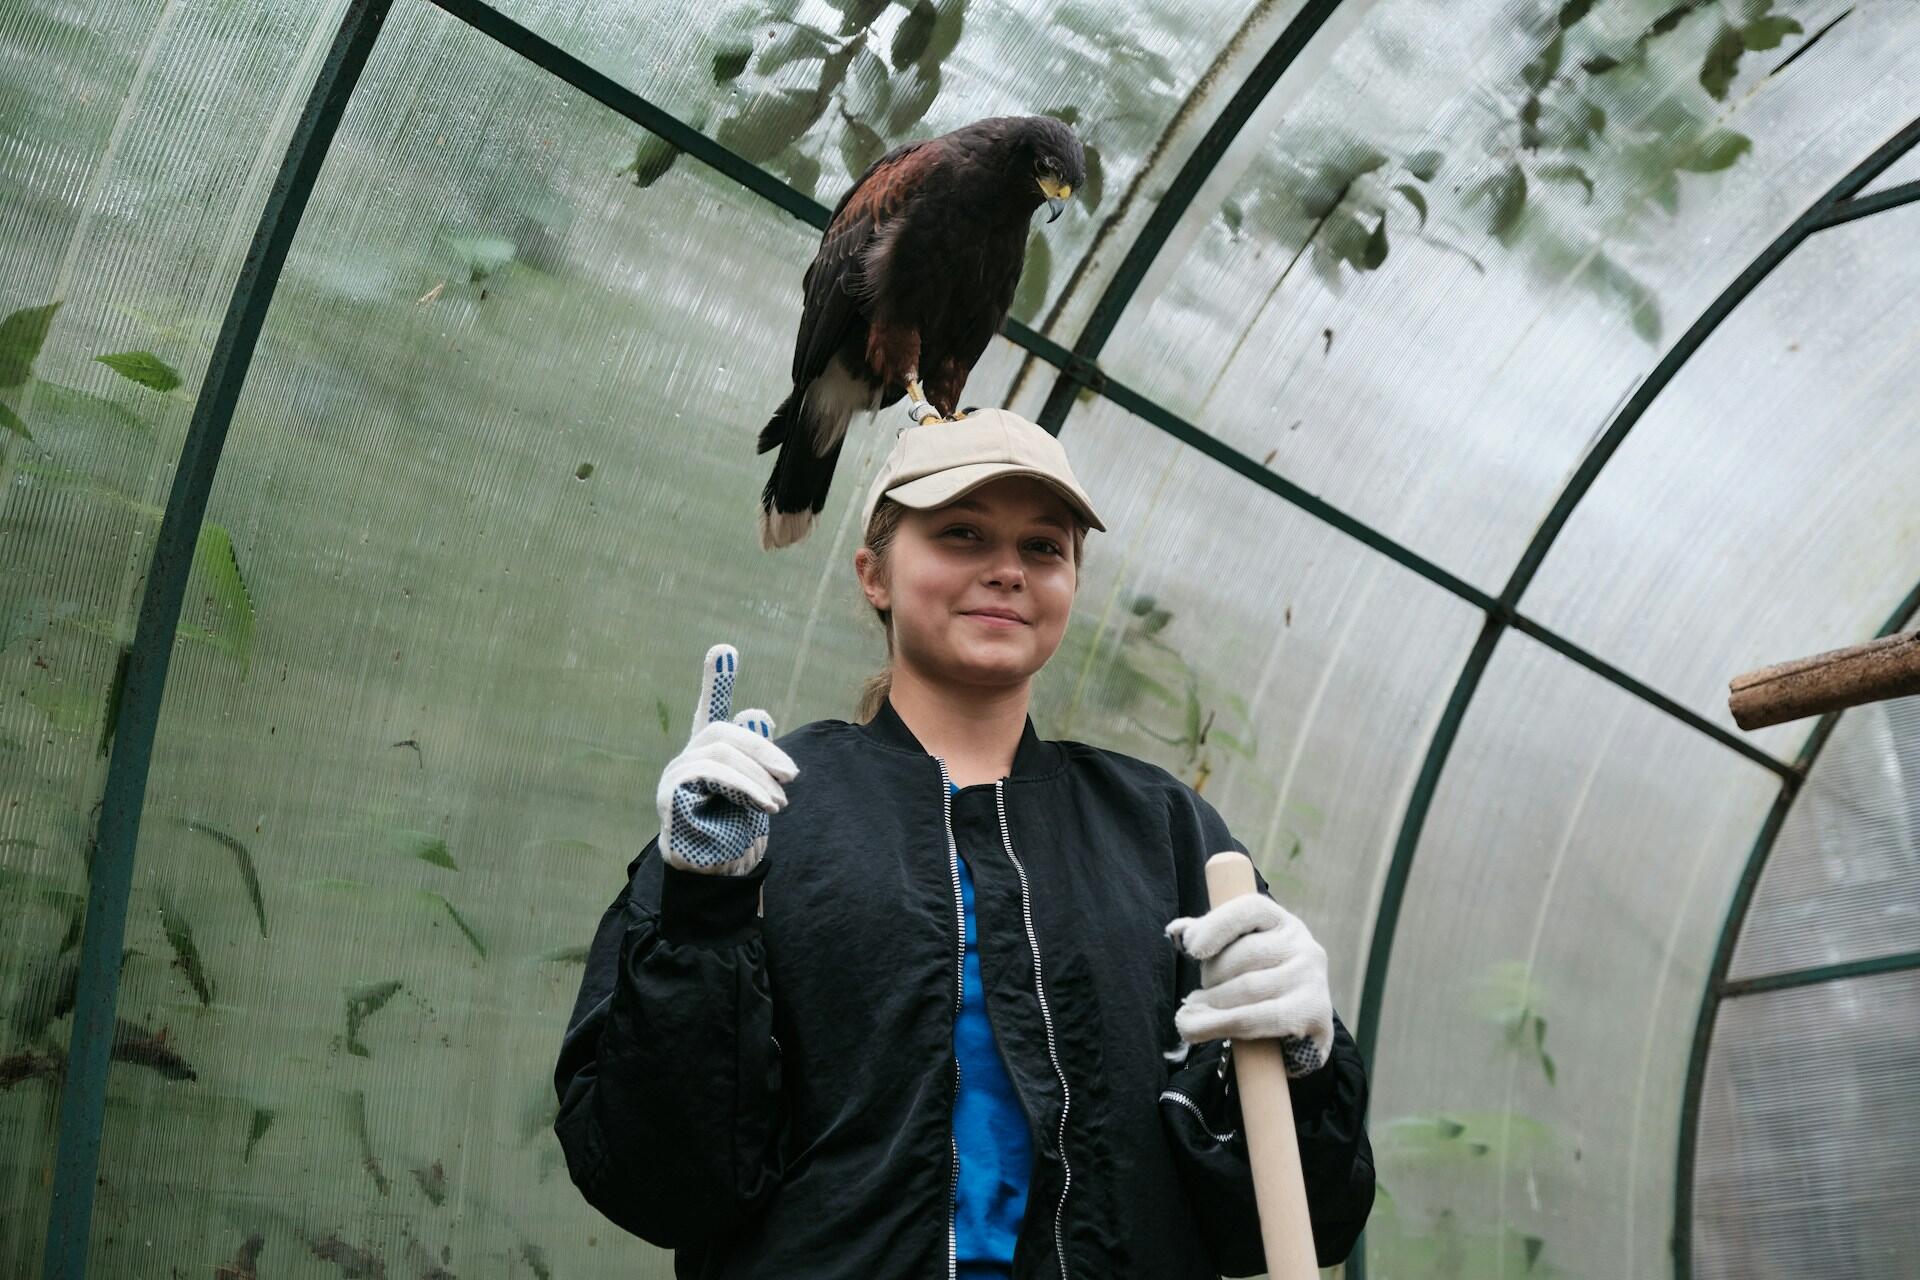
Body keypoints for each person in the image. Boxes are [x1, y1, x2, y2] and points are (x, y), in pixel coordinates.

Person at [553, 408, 1374, 1279]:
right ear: (874, 574)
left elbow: (1293, 1222)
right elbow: (659, 1184)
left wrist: (1307, 1062)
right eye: (961, 534)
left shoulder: (1163, 832)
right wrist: (701, 914)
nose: (1007, 571)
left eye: (1044, 548)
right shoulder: (758, 811)